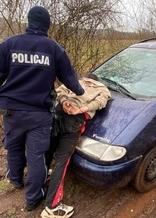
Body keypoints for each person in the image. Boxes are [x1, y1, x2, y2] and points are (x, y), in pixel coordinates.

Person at [0, 6, 84, 212]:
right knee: (37, 155)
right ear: (47, 25)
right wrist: (81, 90)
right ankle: (32, 198)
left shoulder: (9, 44)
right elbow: (72, 82)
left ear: (28, 22)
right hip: (39, 114)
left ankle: (15, 179)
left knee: (14, 146)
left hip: (10, 111)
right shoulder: (55, 49)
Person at [41, 73, 111, 218]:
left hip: (58, 112)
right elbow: (100, 103)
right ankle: (52, 207)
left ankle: (40, 182)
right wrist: (80, 109)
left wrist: (65, 101)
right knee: (62, 161)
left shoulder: (76, 82)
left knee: (48, 149)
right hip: (74, 119)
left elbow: (59, 91)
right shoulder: (103, 89)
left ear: (87, 78)